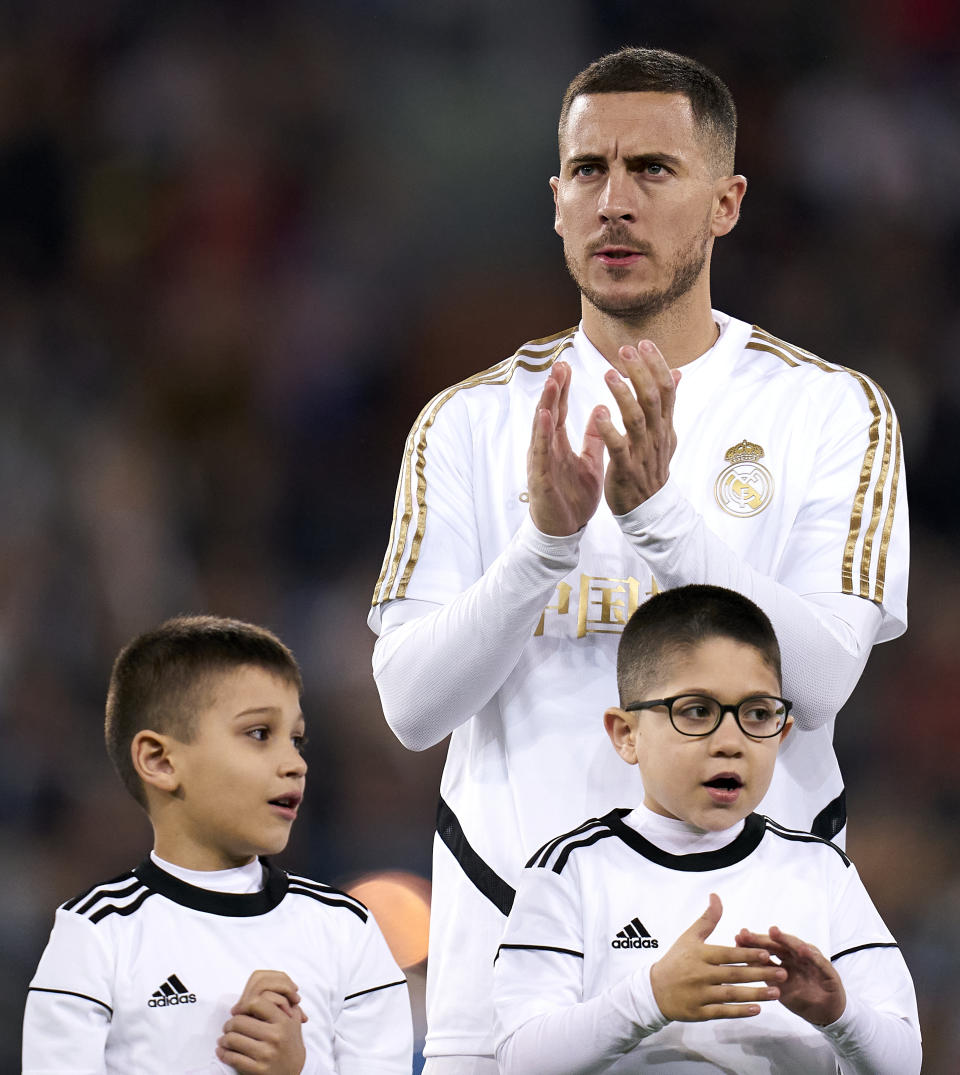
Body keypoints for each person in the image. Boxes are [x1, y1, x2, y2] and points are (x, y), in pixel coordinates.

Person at [369, 46, 908, 1072]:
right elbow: (409, 706)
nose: (615, 202)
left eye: (653, 170)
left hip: (758, 976)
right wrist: (543, 550)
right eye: (589, 171)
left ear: (726, 201)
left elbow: (826, 679)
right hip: (507, 976)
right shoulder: (470, 422)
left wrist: (664, 521)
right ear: (557, 200)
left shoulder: (828, 410)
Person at [492, 584, 921, 1073]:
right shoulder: (571, 870)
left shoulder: (821, 868)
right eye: (697, 711)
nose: (730, 742)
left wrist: (839, 1015)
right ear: (626, 734)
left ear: (781, 733)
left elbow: (904, 1061)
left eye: (758, 714)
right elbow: (519, 1060)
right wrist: (648, 1000)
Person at [22, 615, 413, 1075]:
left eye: (297, 739)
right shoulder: (97, 934)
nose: (294, 764)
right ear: (160, 760)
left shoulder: (347, 929)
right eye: (259, 734)